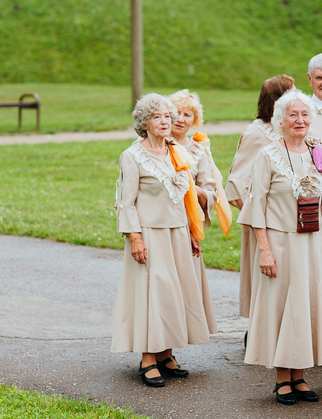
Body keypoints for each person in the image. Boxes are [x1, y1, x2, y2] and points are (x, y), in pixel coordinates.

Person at [237, 89, 322, 405]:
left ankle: (300, 375)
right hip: (280, 243)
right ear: (280, 119)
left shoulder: (318, 152)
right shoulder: (267, 156)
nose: (300, 120)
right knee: (282, 306)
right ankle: (283, 378)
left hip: (312, 242)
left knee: (306, 306)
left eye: (305, 114)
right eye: (293, 115)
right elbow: (256, 206)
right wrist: (265, 250)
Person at [111, 94, 215, 387]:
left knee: (174, 293)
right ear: (144, 123)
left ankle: (166, 354)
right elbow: (126, 202)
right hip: (150, 235)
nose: (165, 121)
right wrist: (135, 238)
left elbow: (186, 198)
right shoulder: (132, 156)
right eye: (157, 117)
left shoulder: (177, 152)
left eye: (168, 116)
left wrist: (193, 231)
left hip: (178, 232)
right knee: (153, 294)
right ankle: (148, 359)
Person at [225, 75, 294, 322]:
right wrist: (259, 217)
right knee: (267, 276)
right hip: (266, 222)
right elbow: (236, 184)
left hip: (292, 220)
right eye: (292, 94)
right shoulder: (257, 133)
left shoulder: (291, 129)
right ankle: (260, 330)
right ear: (277, 101)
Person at [168, 89, 225, 332]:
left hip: (186, 225)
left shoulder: (197, 150)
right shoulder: (156, 145)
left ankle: (176, 339)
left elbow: (211, 192)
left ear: (195, 120)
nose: (180, 119)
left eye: (187, 114)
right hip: (159, 221)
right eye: (176, 113)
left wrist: (196, 191)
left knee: (183, 285)